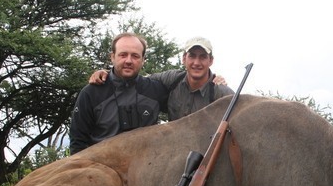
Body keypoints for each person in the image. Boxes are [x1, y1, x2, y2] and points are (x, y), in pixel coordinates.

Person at [89, 36, 234, 121]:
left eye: (203, 57)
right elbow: (134, 79)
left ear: (211, 61)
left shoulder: (222, 93)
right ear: (184, 59)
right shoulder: (172, 79)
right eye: (192, 56)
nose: (196, 63)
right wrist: (108, 73)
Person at [69, 32, 168, 154]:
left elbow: (182, 104)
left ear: (143, 60)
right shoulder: (91, 92)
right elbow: (77, 142)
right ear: (112, 57)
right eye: (123, 55)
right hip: (101, 168)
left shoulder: (155, 90)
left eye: (135, 56)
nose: (128, 61)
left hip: (146, 168)